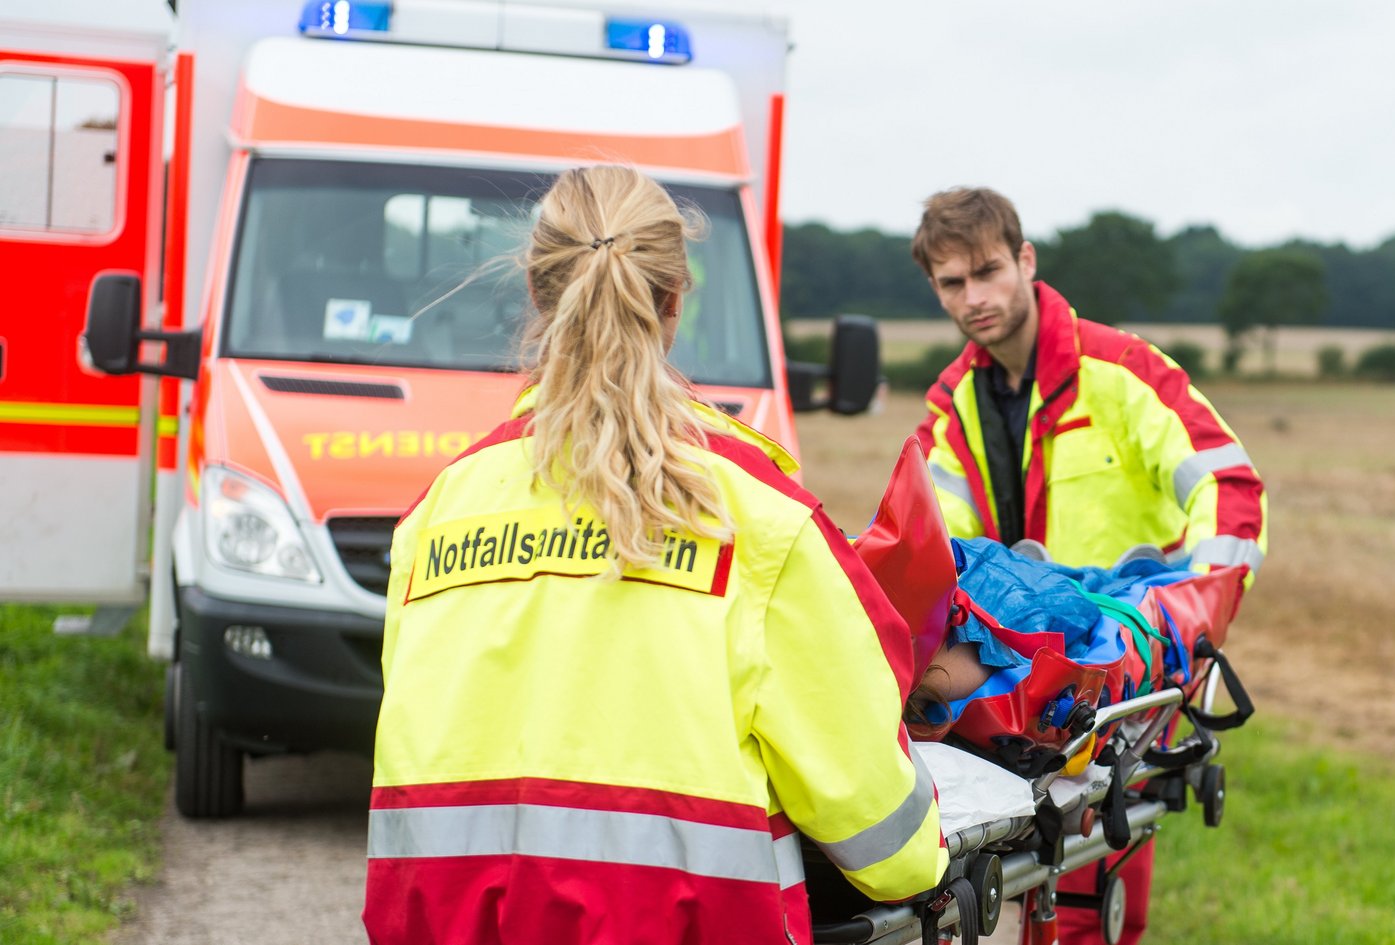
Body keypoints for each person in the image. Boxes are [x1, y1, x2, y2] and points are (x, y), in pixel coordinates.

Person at [363, 165, 947, 945]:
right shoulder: (760, 520)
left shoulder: (436, 512)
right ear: (675, 302)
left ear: (537, 295)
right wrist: (929, 849)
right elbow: (882, 833)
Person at [909, 187, 1267, 945]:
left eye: (988, 271)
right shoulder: (951, 408)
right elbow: (940, 553)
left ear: (1026, 261)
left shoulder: (1123, 372)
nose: (975, 297)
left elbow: (1227, 489)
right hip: (1015, 683)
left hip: (1121, 669)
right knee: (998, 890)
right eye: (952, 283)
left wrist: (1194, 620)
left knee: (1088, 902)